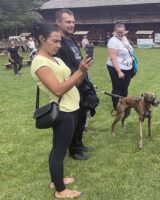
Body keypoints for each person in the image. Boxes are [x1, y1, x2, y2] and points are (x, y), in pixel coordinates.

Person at [31, 23, 93, 199]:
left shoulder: (55, 59)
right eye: (55, 41)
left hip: (72, 107)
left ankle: (56, 179)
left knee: (60, 147)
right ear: (42, 39)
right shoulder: (40, 63)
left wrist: (82, 72)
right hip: (63, 111)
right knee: (59, 152)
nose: (59, 45)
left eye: (60, 41)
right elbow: (58, 90)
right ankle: (60, 190)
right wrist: (79, 71)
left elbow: (71, 81)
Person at [55, 9, 99, 160]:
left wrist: (85, 65)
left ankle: (79, 143)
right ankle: (73, 151)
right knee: (73, 119)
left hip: (81, 83)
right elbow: (64, 68)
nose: (72, 24)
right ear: (58, 23)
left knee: (81, 117)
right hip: (71, 84)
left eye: (73, 22)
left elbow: (77, 60)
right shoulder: (59, 43)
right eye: (68, 22)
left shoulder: (72, 40)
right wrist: (79, 73)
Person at [107, 22, 134, 110]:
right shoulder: (113, 41)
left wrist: (131, 58)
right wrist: (119, 71)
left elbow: (129, 49)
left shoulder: (124, 38)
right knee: (117, 88)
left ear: (125, 31)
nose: (120, 34)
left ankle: (124, 105)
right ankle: (116, 107)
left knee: (125, 88)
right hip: (116, 68)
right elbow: (113, 57)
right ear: (114, 31)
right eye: (118, 32)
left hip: (127, 68)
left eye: (122, 32)